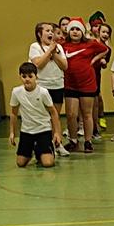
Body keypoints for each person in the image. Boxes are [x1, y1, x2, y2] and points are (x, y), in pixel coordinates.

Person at [58, 19, 109, 154]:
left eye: (78, 29)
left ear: (82, 32)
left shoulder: (90, 44)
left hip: (87, 84)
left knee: (87, 114)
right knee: (71, 114)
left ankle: (88, 141)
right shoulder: (63, 45)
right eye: (72, 29)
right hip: (70, 84)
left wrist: (94, 60)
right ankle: (73, 141)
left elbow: (105, 49)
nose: (75, 32)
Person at [26, 23, 71, 155]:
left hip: (57, 85)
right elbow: (38, 64)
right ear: (39, 34)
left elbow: (65, 66)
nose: (51, 33)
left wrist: (54, 52)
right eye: (47, 31)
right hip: (42, 87)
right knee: (43, 118)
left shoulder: (58, 48)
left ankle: (57, 144)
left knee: (55, 116)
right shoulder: (35, 47)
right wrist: (49, 51)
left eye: (52, 31)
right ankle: (43, 145)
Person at [9, 62, 60, 168]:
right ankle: (32, 150)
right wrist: (12, 132)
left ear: (36, 77)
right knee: (20, 163)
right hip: (26, 131)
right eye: (24, 76)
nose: (27, 79)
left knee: (48, 163)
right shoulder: (16, 92)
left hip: (43, 130)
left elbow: (53, 112)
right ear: (20, 77)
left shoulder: (43, 92)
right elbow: (14, 113)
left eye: (30, 76)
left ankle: (44, 150)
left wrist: (56, 133)